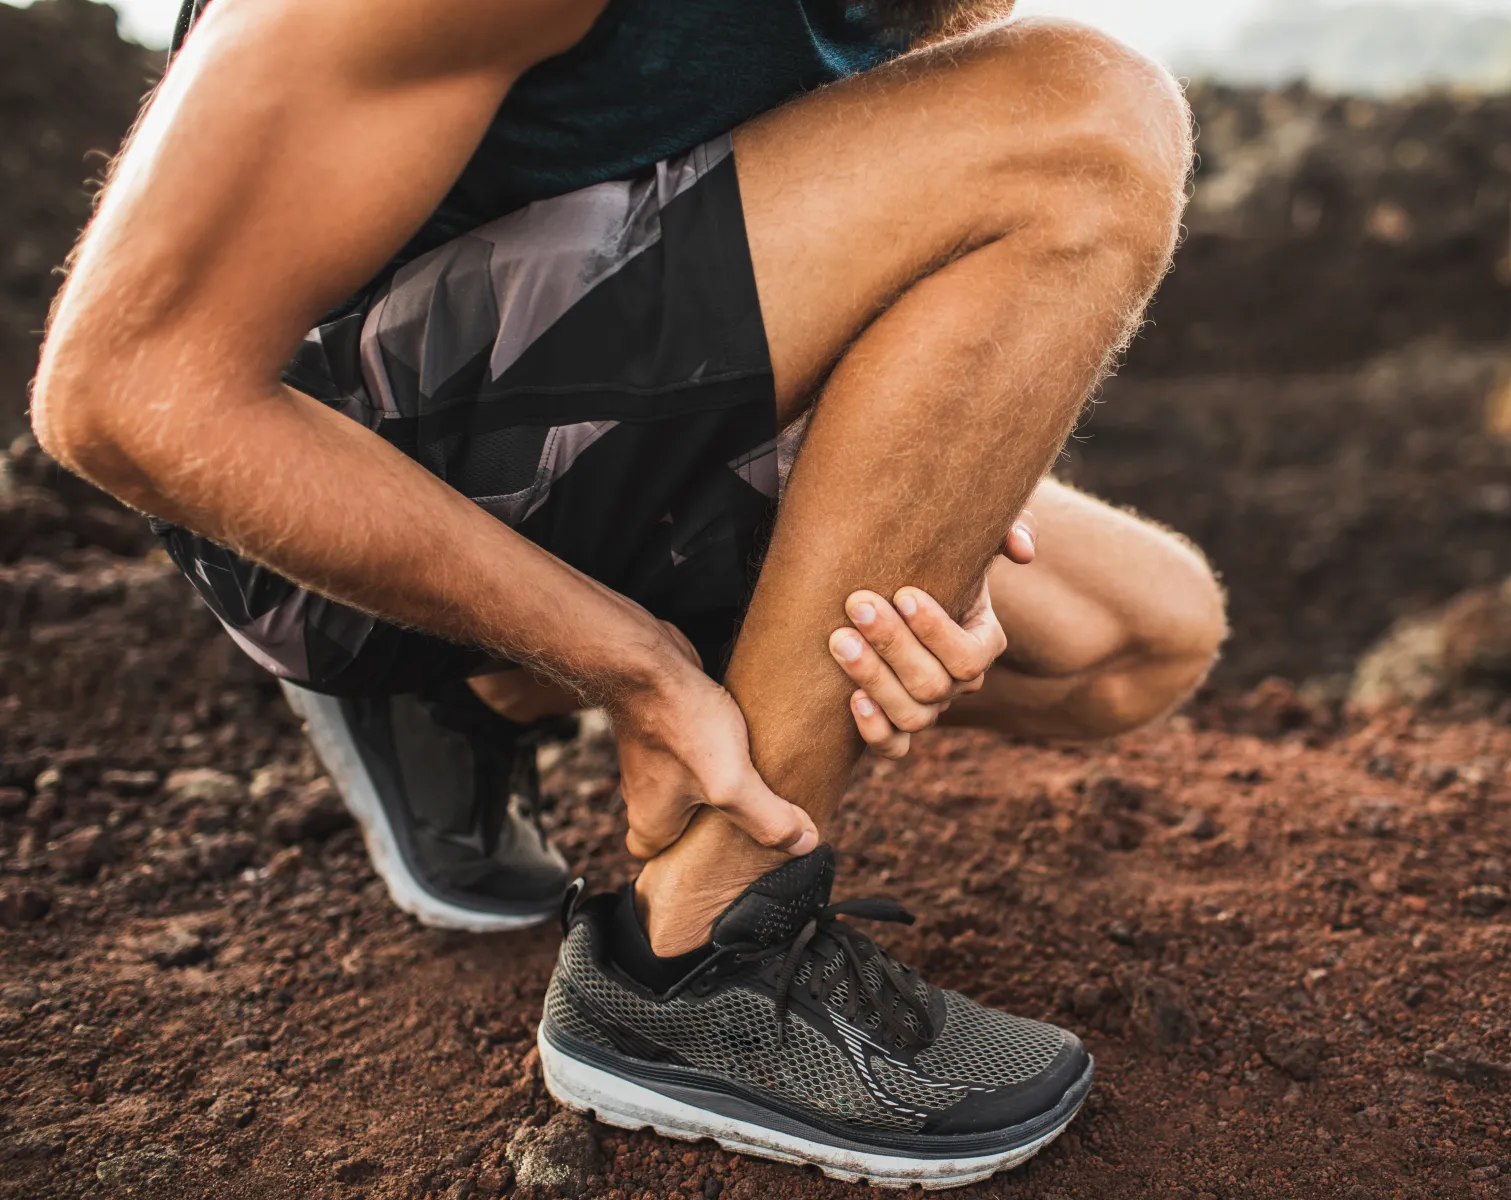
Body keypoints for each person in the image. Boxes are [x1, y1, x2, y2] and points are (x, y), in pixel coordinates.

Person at [32, 0, 1223, 1185]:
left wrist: (941, 488)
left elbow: (764, 232)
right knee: (1081, 118)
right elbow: (125, 394)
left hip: (571, 412)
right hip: (288, 505)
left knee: (1140, 633)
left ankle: (479, 697)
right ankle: (693, 964)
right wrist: (629, 663)